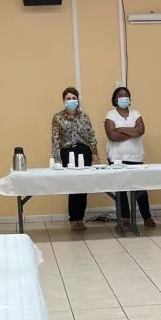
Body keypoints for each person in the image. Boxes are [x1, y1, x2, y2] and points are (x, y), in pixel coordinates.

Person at [103, 86, 156, 229]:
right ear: (115, 99)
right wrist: (132, 132)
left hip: (136, 157)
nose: (124, 98)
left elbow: (141, 130)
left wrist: (120, 129)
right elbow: (112, 136)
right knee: (121, 189)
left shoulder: (135, 113)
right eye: (120, 95)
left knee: (140, 189)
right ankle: (125, 217)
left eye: (126, 95)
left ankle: (147, 217)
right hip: (116, 157)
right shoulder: (110, 115)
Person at [50, 86, 99, 232]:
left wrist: (95, 154)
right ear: (64, 100)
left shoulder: (84, 116)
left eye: (74, 98)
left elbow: (91, 135)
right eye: (68, 98)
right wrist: (57, 159)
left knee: (83, 186)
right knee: (73, 185)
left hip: (84, 151)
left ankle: (80, 218)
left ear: (78, 100)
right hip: (67, 153)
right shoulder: (57, 117)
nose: (71, 101)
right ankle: (73, 219)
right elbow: (55, 139)